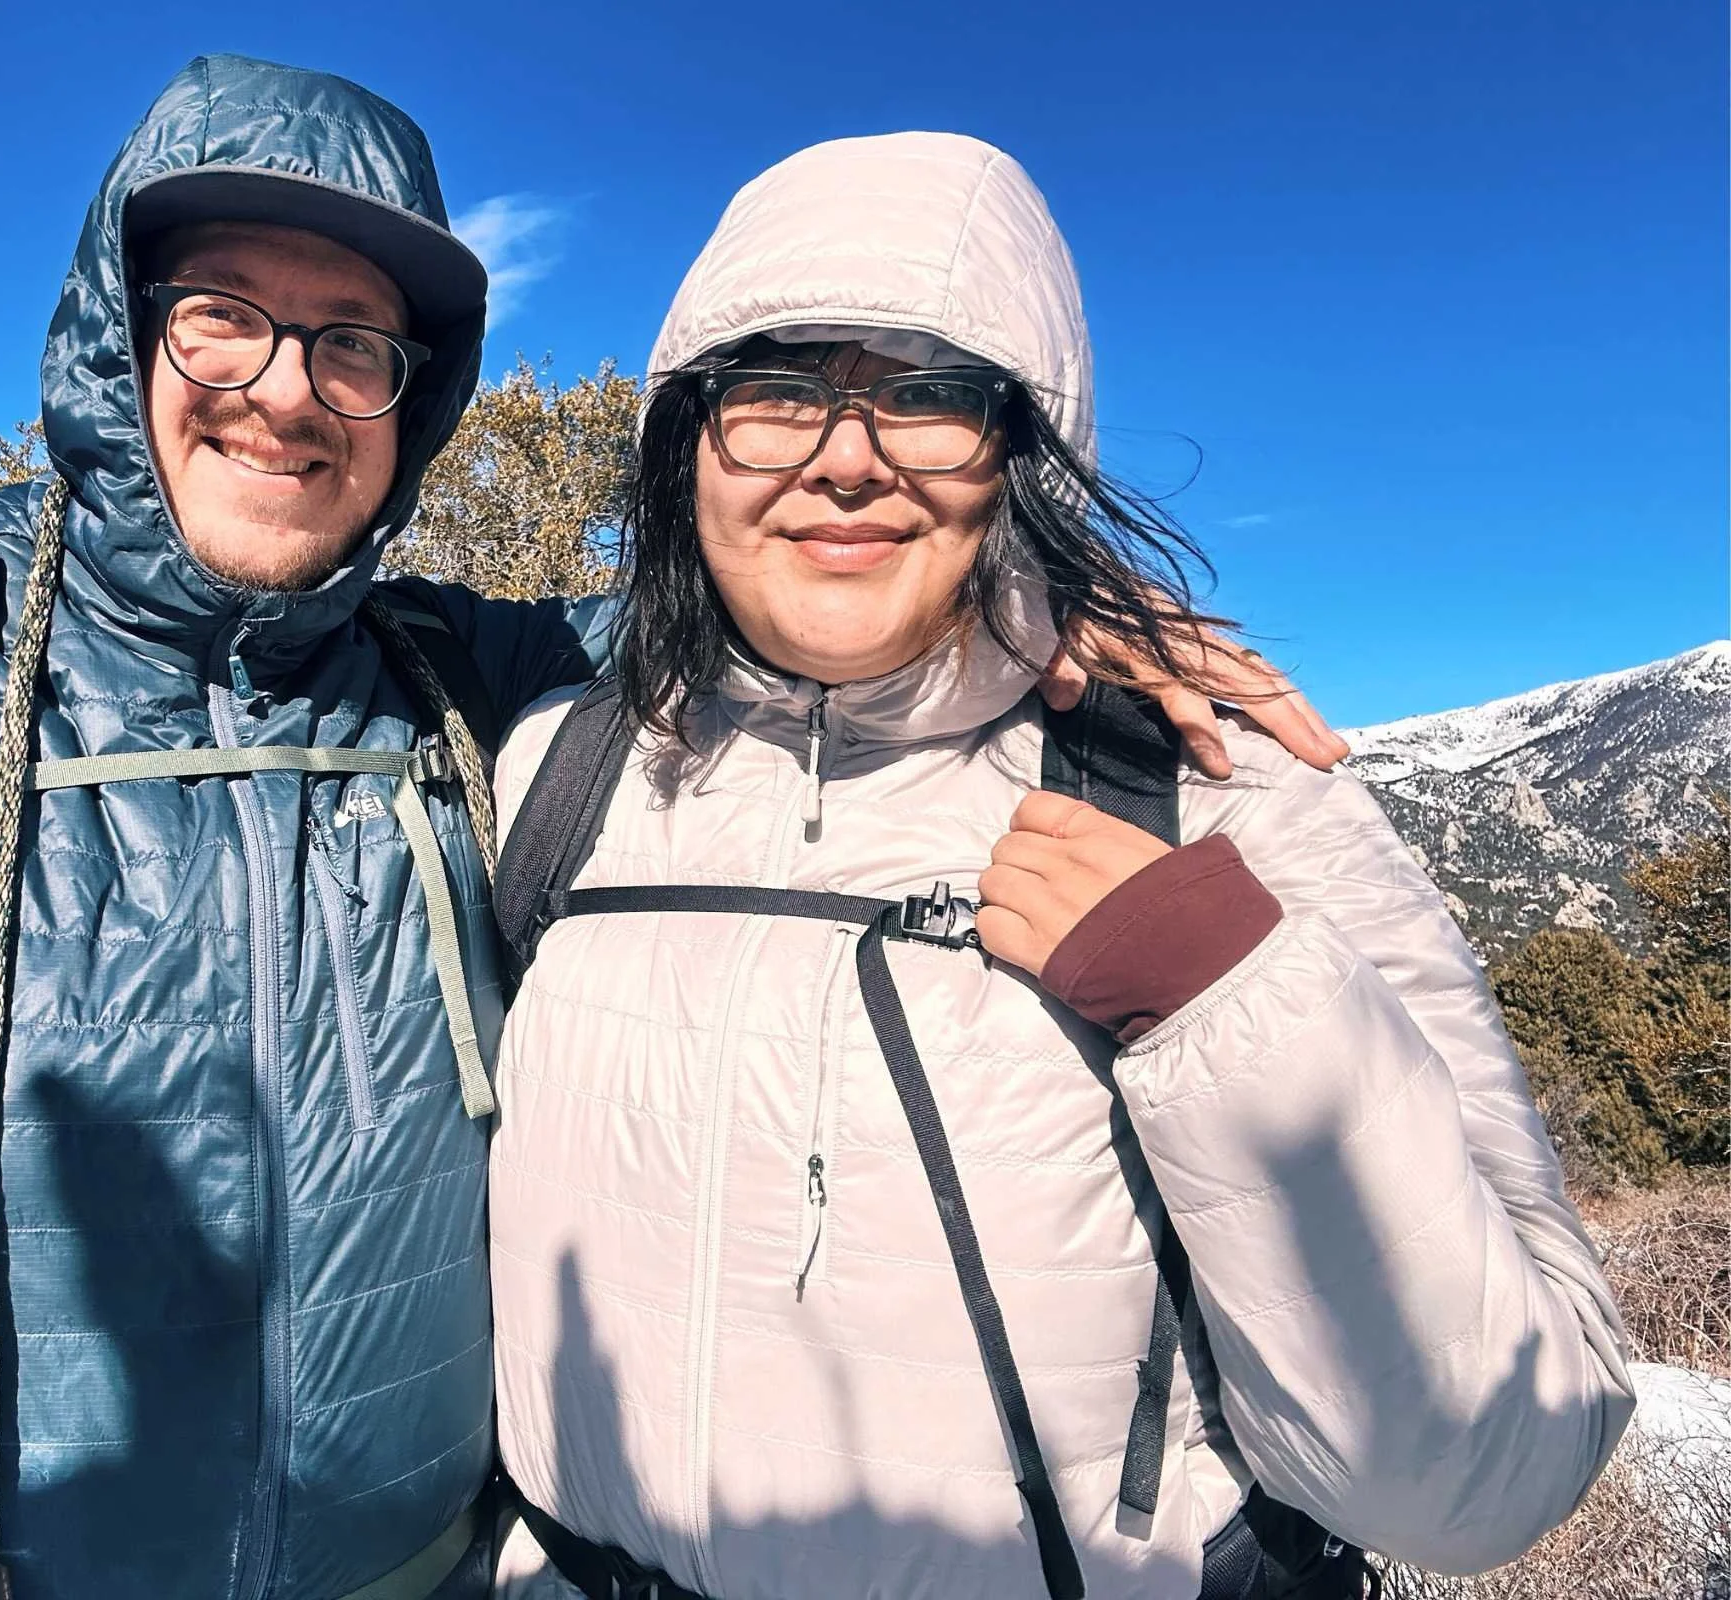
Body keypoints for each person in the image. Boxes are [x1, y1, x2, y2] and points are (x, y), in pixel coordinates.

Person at [0, 57, 1338, 1600]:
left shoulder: (470, 699)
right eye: (225, 313)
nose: (287, 390)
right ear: (124, 339)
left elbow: (773, 615)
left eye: (357, 341)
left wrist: (1028, 591)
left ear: (417, 392)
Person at [485, 134, 1633, 1600]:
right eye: (776, 393)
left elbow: (1497, 1472)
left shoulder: (1220, 798)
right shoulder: (557, 772)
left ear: (1025, 449)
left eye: (930, 397)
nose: (848, 460)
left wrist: (1221, 1002)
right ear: (686, 443)